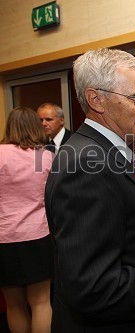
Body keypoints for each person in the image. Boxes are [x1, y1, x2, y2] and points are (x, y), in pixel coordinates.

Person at [45, 48, 135, 333]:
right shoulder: (87, 163)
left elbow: (100, 238)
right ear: (96, 99)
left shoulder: (100, 150)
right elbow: (92, 287)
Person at [0, 107, 54, 333]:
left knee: (14, 305)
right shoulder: (44, 155)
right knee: (41, 302)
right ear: (35, 126)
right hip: (38, 235)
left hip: (3, 238)